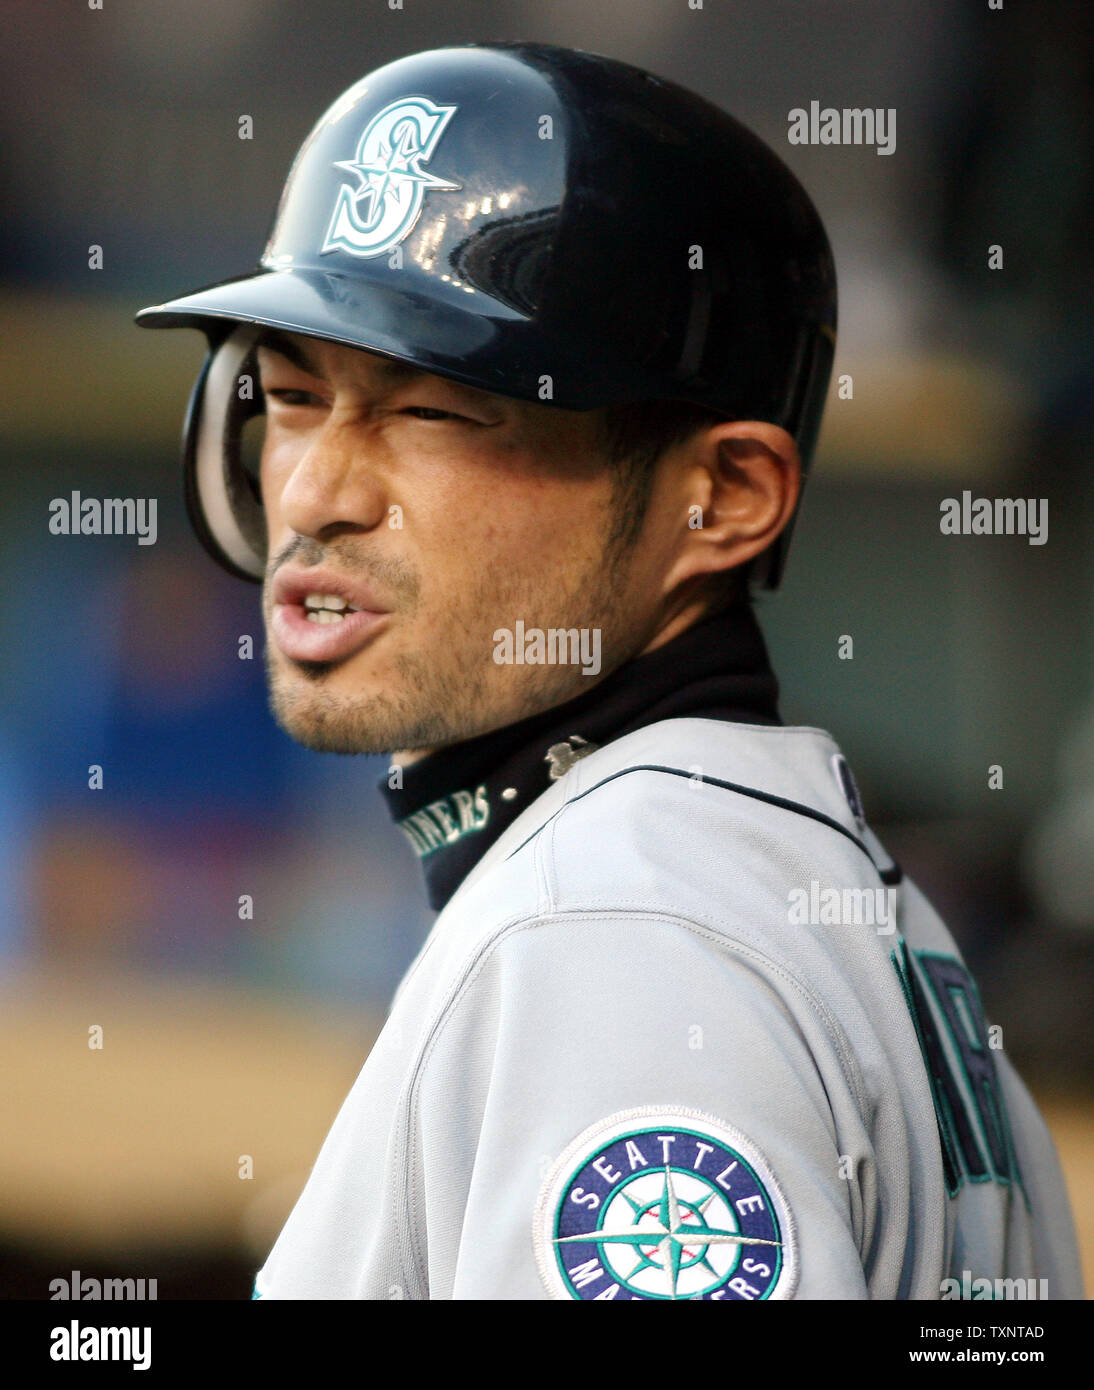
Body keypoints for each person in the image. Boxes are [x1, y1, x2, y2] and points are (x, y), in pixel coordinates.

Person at [137, 41, 1082, 1300]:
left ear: (724, 497)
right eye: (293, 397)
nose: (316, 492)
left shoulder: (618, 938)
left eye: (435, 413)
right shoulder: (794, 878)